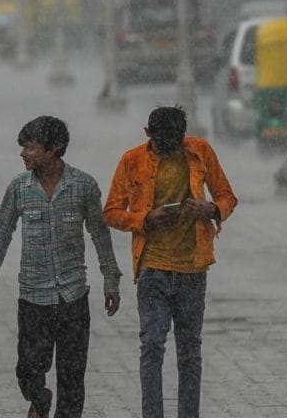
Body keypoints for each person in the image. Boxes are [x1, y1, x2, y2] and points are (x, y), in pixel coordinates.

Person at [103, 105, 237, 418]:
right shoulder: (131, 161)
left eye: (175, 145)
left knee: (190, 352)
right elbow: (110, 212)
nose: (168, 151)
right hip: (152, 269)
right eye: (162, 146)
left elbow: (227, 196)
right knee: (151, 345)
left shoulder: (200, 152)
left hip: (193, 268)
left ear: (184, 137)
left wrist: (211, 210)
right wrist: (144, 219)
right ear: (148, 135)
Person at [0, 115, 122, 418]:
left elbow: (100, 234)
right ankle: (39, 397)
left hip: (72, 296)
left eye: (31, 148)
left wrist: (111, 280)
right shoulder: (19, 188)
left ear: (53, 150)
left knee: (73, 376)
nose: (23, 154)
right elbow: (2, 231)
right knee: (27, 368)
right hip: (33, 297)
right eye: (23, 147)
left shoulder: (83, 186)